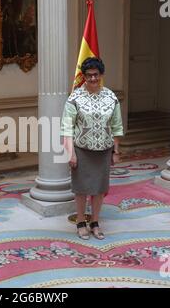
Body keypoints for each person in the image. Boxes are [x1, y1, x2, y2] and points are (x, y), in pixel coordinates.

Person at [61, 57, 124, 240]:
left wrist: (116, 151)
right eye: (89, 76)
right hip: (81, 150)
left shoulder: (111, 97)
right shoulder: (75, 98)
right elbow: (66, 128)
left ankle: (95, 222)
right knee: (81, 188)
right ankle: (81, 222)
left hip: (103, 151)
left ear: (101, 75)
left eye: (96, 75)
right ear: (84, 77)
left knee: (99, 188)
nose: (93, 79)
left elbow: (117, 126)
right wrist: (70, 153)